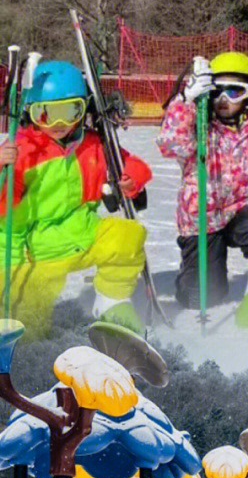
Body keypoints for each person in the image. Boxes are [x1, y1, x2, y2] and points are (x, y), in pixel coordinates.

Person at [0, 59, 151, 337]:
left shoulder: (93, 144)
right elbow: (3, 208)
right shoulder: (21, 150)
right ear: (29, 113)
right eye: (45, 114)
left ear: (83, 109)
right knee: (28, 329)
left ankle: (111, 304)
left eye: (70, 111)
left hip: (81, 234)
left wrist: (131, 180)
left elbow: (131, 164)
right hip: (34, 252)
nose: (58, 124)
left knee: (127, 236)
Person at [158, 51, 248, 327]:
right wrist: (186, 103)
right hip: (201, 215)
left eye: (235, 91)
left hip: (243, 207)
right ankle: (191, 281)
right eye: (217, 91)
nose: (224, 99)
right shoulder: (199, 125)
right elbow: (169, 144)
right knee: (204, 297)